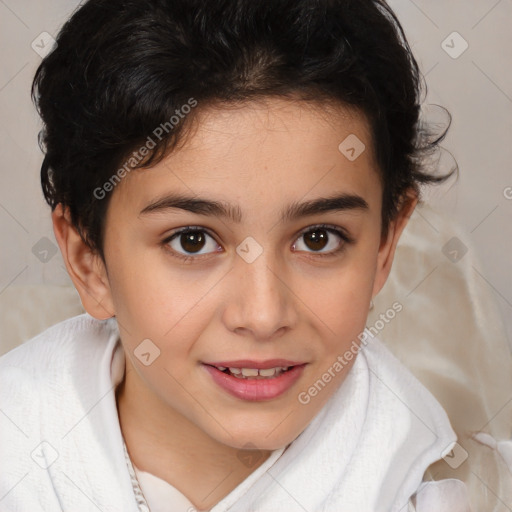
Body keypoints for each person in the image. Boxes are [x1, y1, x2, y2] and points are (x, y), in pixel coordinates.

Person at [0, 0, 479, 510]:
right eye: (192, 241)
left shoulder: (461, 489)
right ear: (88, 262)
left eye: (318, 238)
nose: (263, 314)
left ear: (385, 244)